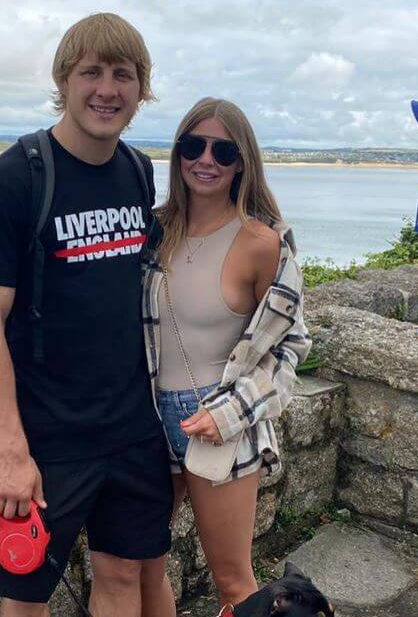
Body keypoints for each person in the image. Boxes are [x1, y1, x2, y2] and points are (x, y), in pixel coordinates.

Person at [0, 13, 174, 617]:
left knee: (125, 573)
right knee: (25, 596)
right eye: (91, 72)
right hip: (48, 437)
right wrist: (11, 453)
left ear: (140, 88)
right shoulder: (10, 180)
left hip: (132, 427)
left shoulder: (136, 170)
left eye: (123, 75)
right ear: (64, 79)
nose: (108, 89)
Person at [140, 98, 312, 615]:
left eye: (224, 149)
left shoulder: (263, 244)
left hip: (220, 417)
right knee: (143, 564)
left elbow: (290, 346)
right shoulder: (154, 232)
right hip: (147, 416)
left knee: (234, 584)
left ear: (243, 162)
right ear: (178, 154)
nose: (206, 159)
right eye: (194, 146)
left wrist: (230, 411)